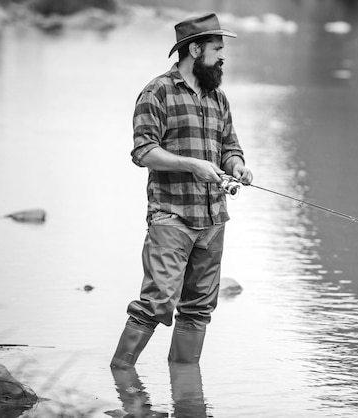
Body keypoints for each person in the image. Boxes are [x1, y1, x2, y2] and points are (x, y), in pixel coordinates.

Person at [110, 12, 253, 369]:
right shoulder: (156, 92)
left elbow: (230, 147)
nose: (223, 56)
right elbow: (144, 152)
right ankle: (122, 380)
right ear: (194, 49)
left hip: (214, 219)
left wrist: (237, 166)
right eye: (217, 49)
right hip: (171, 216)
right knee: (156, 302)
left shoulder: (218, 98)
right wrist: (192, 164)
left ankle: (187, 393)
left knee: (199, 309)